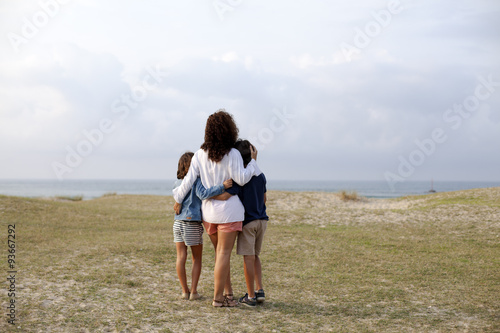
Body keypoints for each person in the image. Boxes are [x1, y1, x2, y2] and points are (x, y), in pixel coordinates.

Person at [173, 110, 260, 307]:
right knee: (223, 255)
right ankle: (218, 298)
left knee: (220, 255)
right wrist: (253, 162)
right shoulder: (234, 154)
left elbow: (186, 184)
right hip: (229, 213)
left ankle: (228, 294)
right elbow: (242, 179)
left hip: (208, 215)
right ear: (230, 130)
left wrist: (177, 197)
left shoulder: (198, 155)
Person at [214, 140, 268, 307]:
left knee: (248, 258)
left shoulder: (240, 179)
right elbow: (265, 198)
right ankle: (259, 291)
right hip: (262, 220)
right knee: (256, 256)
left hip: (248, 222)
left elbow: (226, 196)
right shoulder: (261, 175)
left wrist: (210, 195)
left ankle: (250, 296)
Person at [173, 152, 233, 301]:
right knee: (196, 259)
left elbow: (177, 200)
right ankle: (193, 291)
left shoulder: (177, 183)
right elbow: (203, 194)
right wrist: (222, 186)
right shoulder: (196, 180)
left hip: (177, 223)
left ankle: (184, 291)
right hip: (191, 223)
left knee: (180, 257)